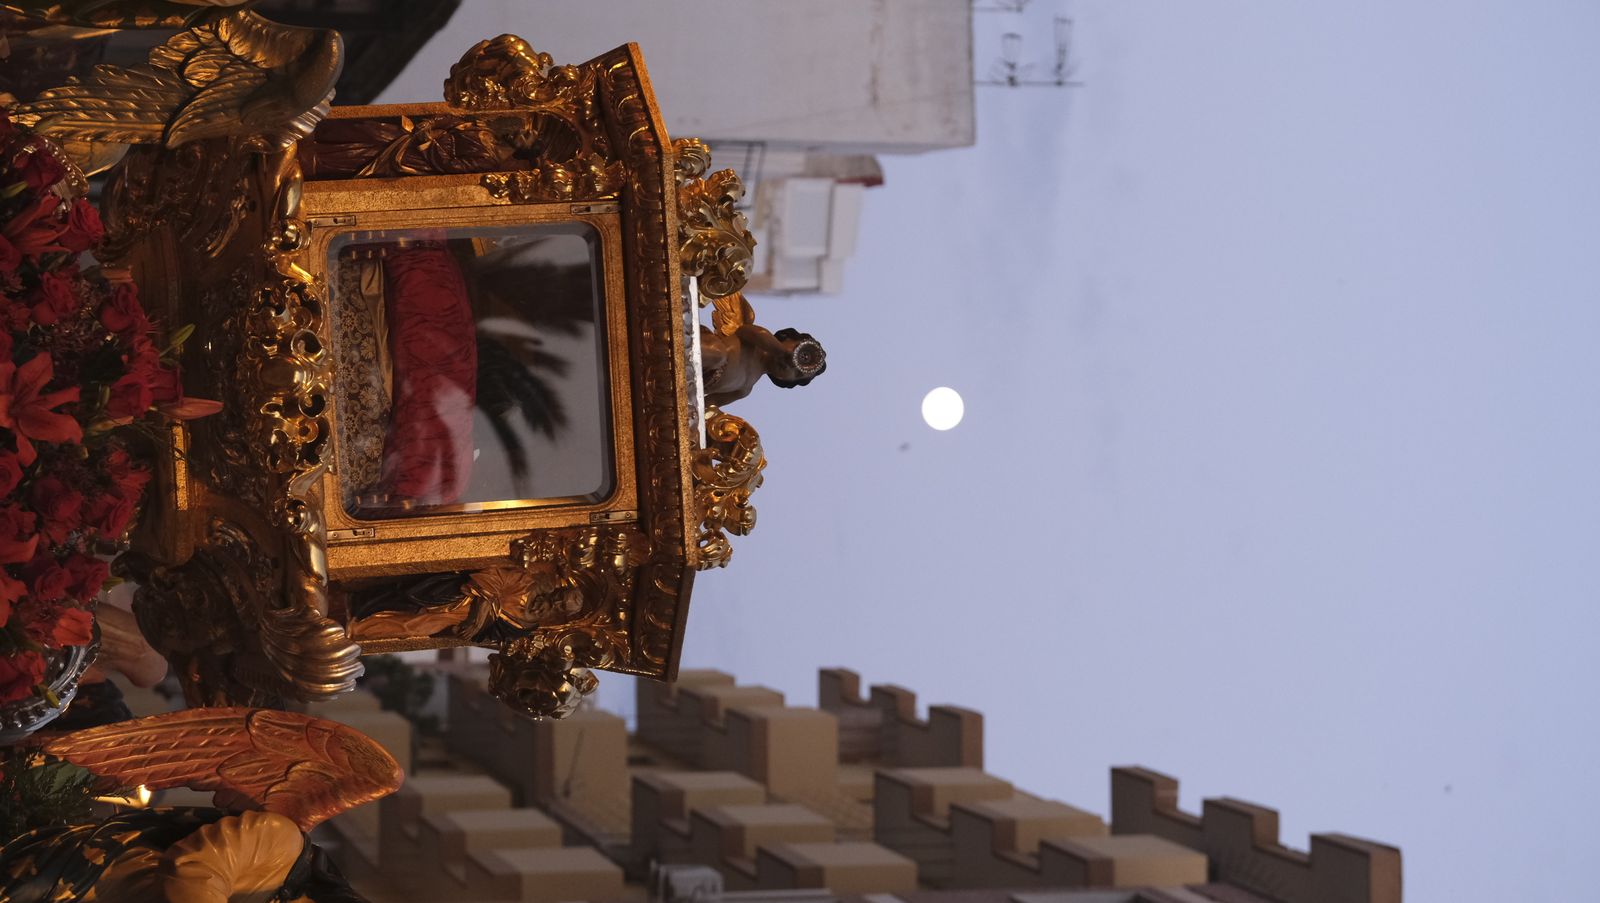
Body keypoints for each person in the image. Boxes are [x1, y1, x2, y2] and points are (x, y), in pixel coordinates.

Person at [700, 325, 826, 407]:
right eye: (798, 350)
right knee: (718, 355)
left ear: (785, 380)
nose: (793, 365)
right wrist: (782, 351)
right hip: (705, 348)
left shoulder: (744, 389)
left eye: (798, 373)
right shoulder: (753, 341)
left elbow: (710, 403)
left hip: (694, 381)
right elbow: (756, 334)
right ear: (787, 338)